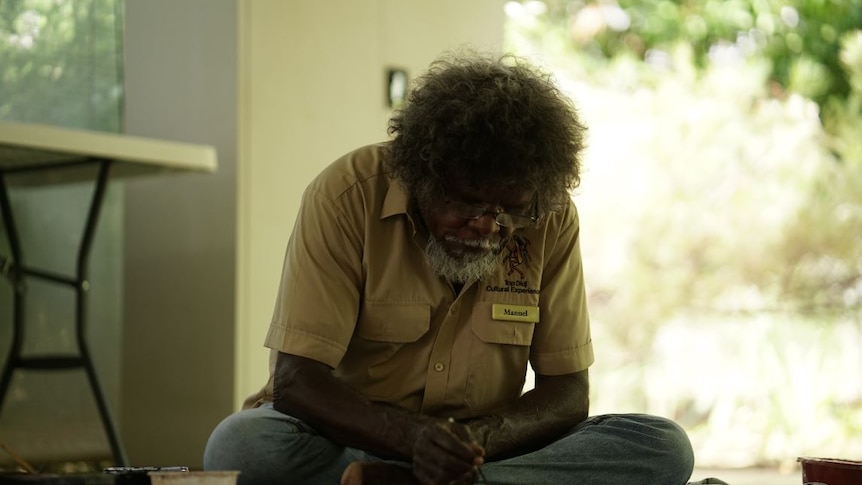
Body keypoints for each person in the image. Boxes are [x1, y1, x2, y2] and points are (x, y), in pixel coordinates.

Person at [203, 50, 695, 485]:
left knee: (662, 445)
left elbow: (567, 391)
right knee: (240, 445)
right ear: (421, 176)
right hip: (347, 436)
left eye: (510, 209)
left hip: (483, 448)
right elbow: (297, 380)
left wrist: (470, 446)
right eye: (468, 202)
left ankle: (422, 484)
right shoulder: (346, 194)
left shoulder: (550, 215)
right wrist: (414, 441)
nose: (488, 226)